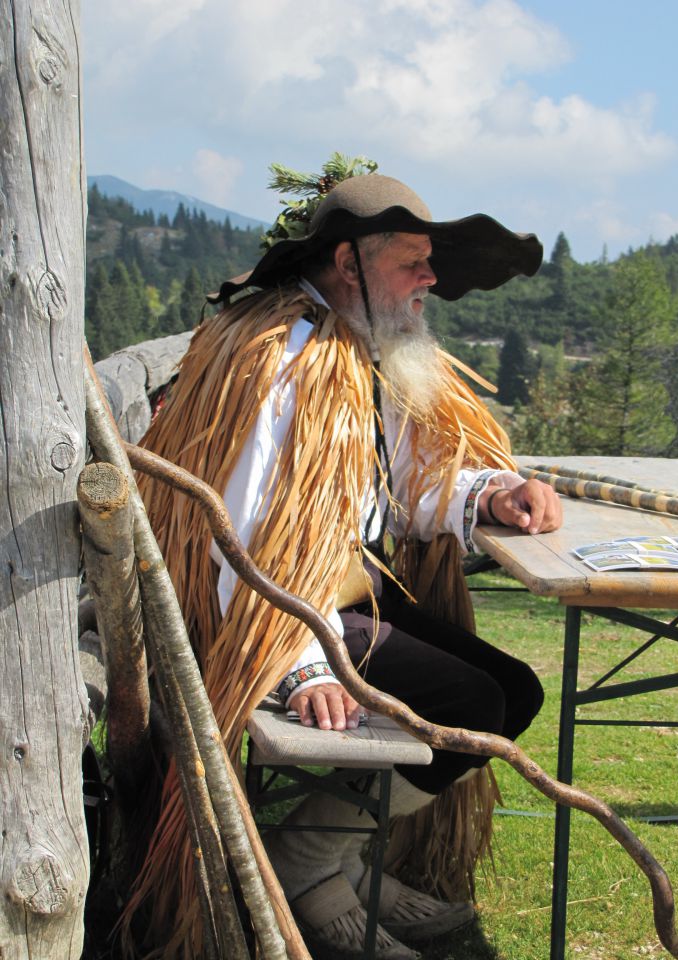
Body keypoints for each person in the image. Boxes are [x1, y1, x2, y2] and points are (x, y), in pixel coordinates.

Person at [134, 164, 562, 959]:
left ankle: (330, 863)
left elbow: (392, 489)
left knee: (511, 692)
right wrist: (300, 668)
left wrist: (485, 497)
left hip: (325, 592)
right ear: (347, 262)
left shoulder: (348, 350)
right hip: (272, 611)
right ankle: (311, 872)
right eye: (411, 259)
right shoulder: (283, 357)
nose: (429, 277)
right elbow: (241, 529)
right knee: (471, 703)